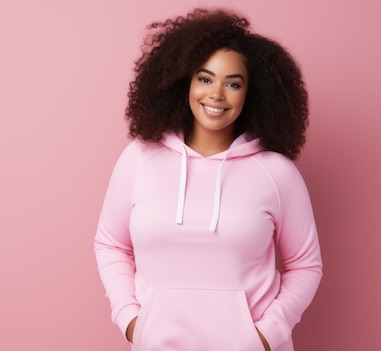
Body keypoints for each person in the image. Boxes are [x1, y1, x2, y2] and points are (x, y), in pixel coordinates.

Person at [94, 8, 322, 351]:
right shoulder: (138, 160)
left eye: (233, 83)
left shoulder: (276, 174)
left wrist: (266, 334)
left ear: (251, 94)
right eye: (205, 78)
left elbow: (305, 265)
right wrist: (130, 320)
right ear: (182, 82)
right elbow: (110, 245)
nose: (216, 93)